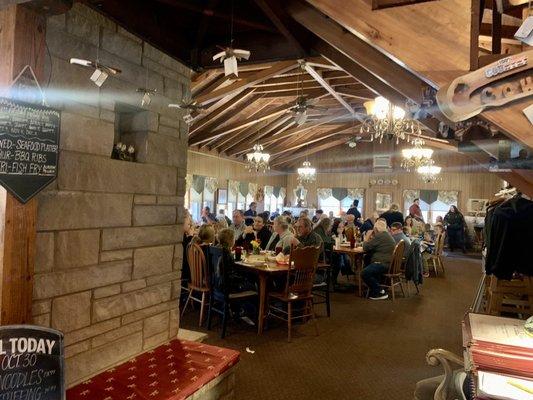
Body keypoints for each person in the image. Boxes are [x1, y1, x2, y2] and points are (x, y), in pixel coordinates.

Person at [355, 219, 396, 300]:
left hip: (382, 263)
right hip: (388, 262)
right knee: (367, 259)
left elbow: (366, 247)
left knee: (364, 273)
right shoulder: (386, 235)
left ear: (376, 229)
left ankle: (378, 291)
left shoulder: (379, 236)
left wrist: (366, 237)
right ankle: (376, 288)